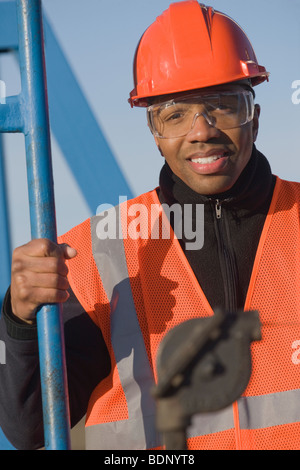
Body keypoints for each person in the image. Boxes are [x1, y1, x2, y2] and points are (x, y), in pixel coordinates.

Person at [0, 0, 300, 450]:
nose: (202, 130)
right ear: (154, 133)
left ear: (254, 116)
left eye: (223, 105)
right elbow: (29, 428)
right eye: (175, 114)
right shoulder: (95, 255)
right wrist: (20, 320)